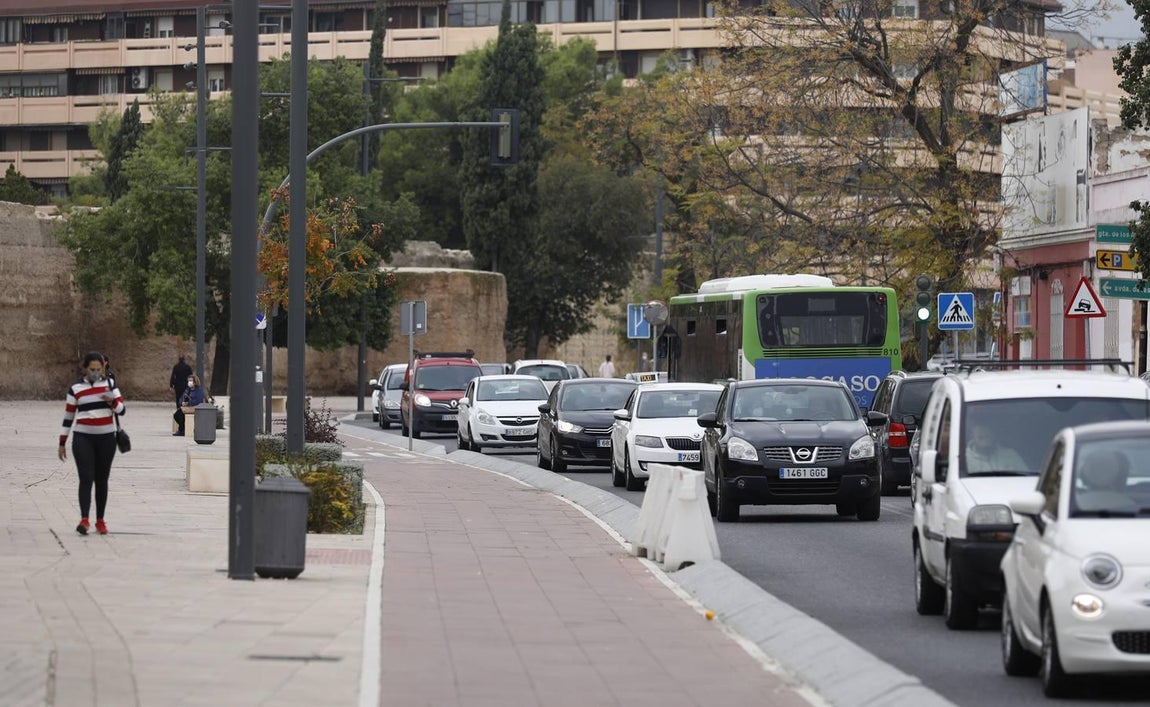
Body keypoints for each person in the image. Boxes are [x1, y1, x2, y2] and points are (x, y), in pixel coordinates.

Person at [59, 351, 125, 536]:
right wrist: (62, 442)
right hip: (83, 438)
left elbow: (122, 410)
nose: (96, 372)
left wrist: (112, 401)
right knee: (86, 478)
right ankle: (84, 519)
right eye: (92, 369)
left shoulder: (110, 385)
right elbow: (69, 416)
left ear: (103, 368)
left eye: (98, 369)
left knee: (102, 480)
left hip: (106, 439)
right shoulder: (76, 389)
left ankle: (100, 520)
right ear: (85, 369)